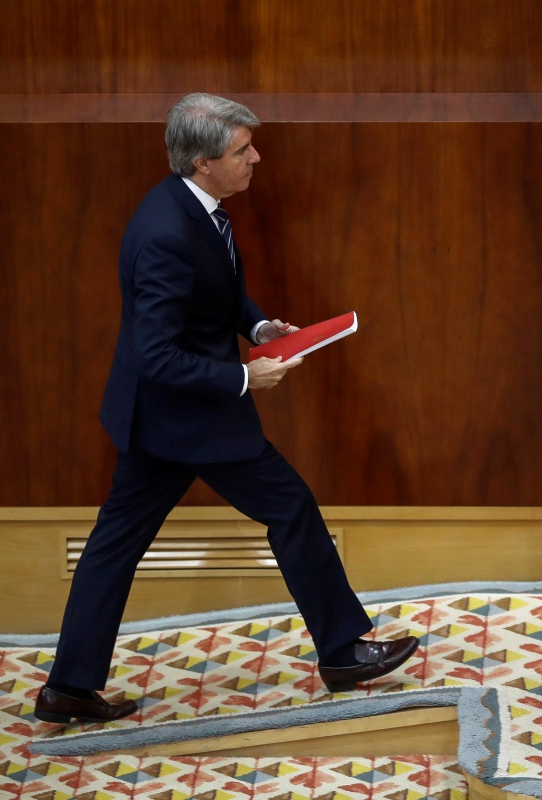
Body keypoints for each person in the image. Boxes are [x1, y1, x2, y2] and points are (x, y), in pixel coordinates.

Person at [35, 93, 418, 724]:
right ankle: (344, 651)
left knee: (114, 544)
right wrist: (242, 376)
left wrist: (260, 325)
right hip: (185, 417)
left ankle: (69, 687)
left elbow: (219, 293)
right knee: (289, 505)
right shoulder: (164, 233)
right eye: (242, 151)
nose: (256, 159)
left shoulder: (198, 209)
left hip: (162, 418)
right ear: (202, 161)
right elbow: (155, 352)